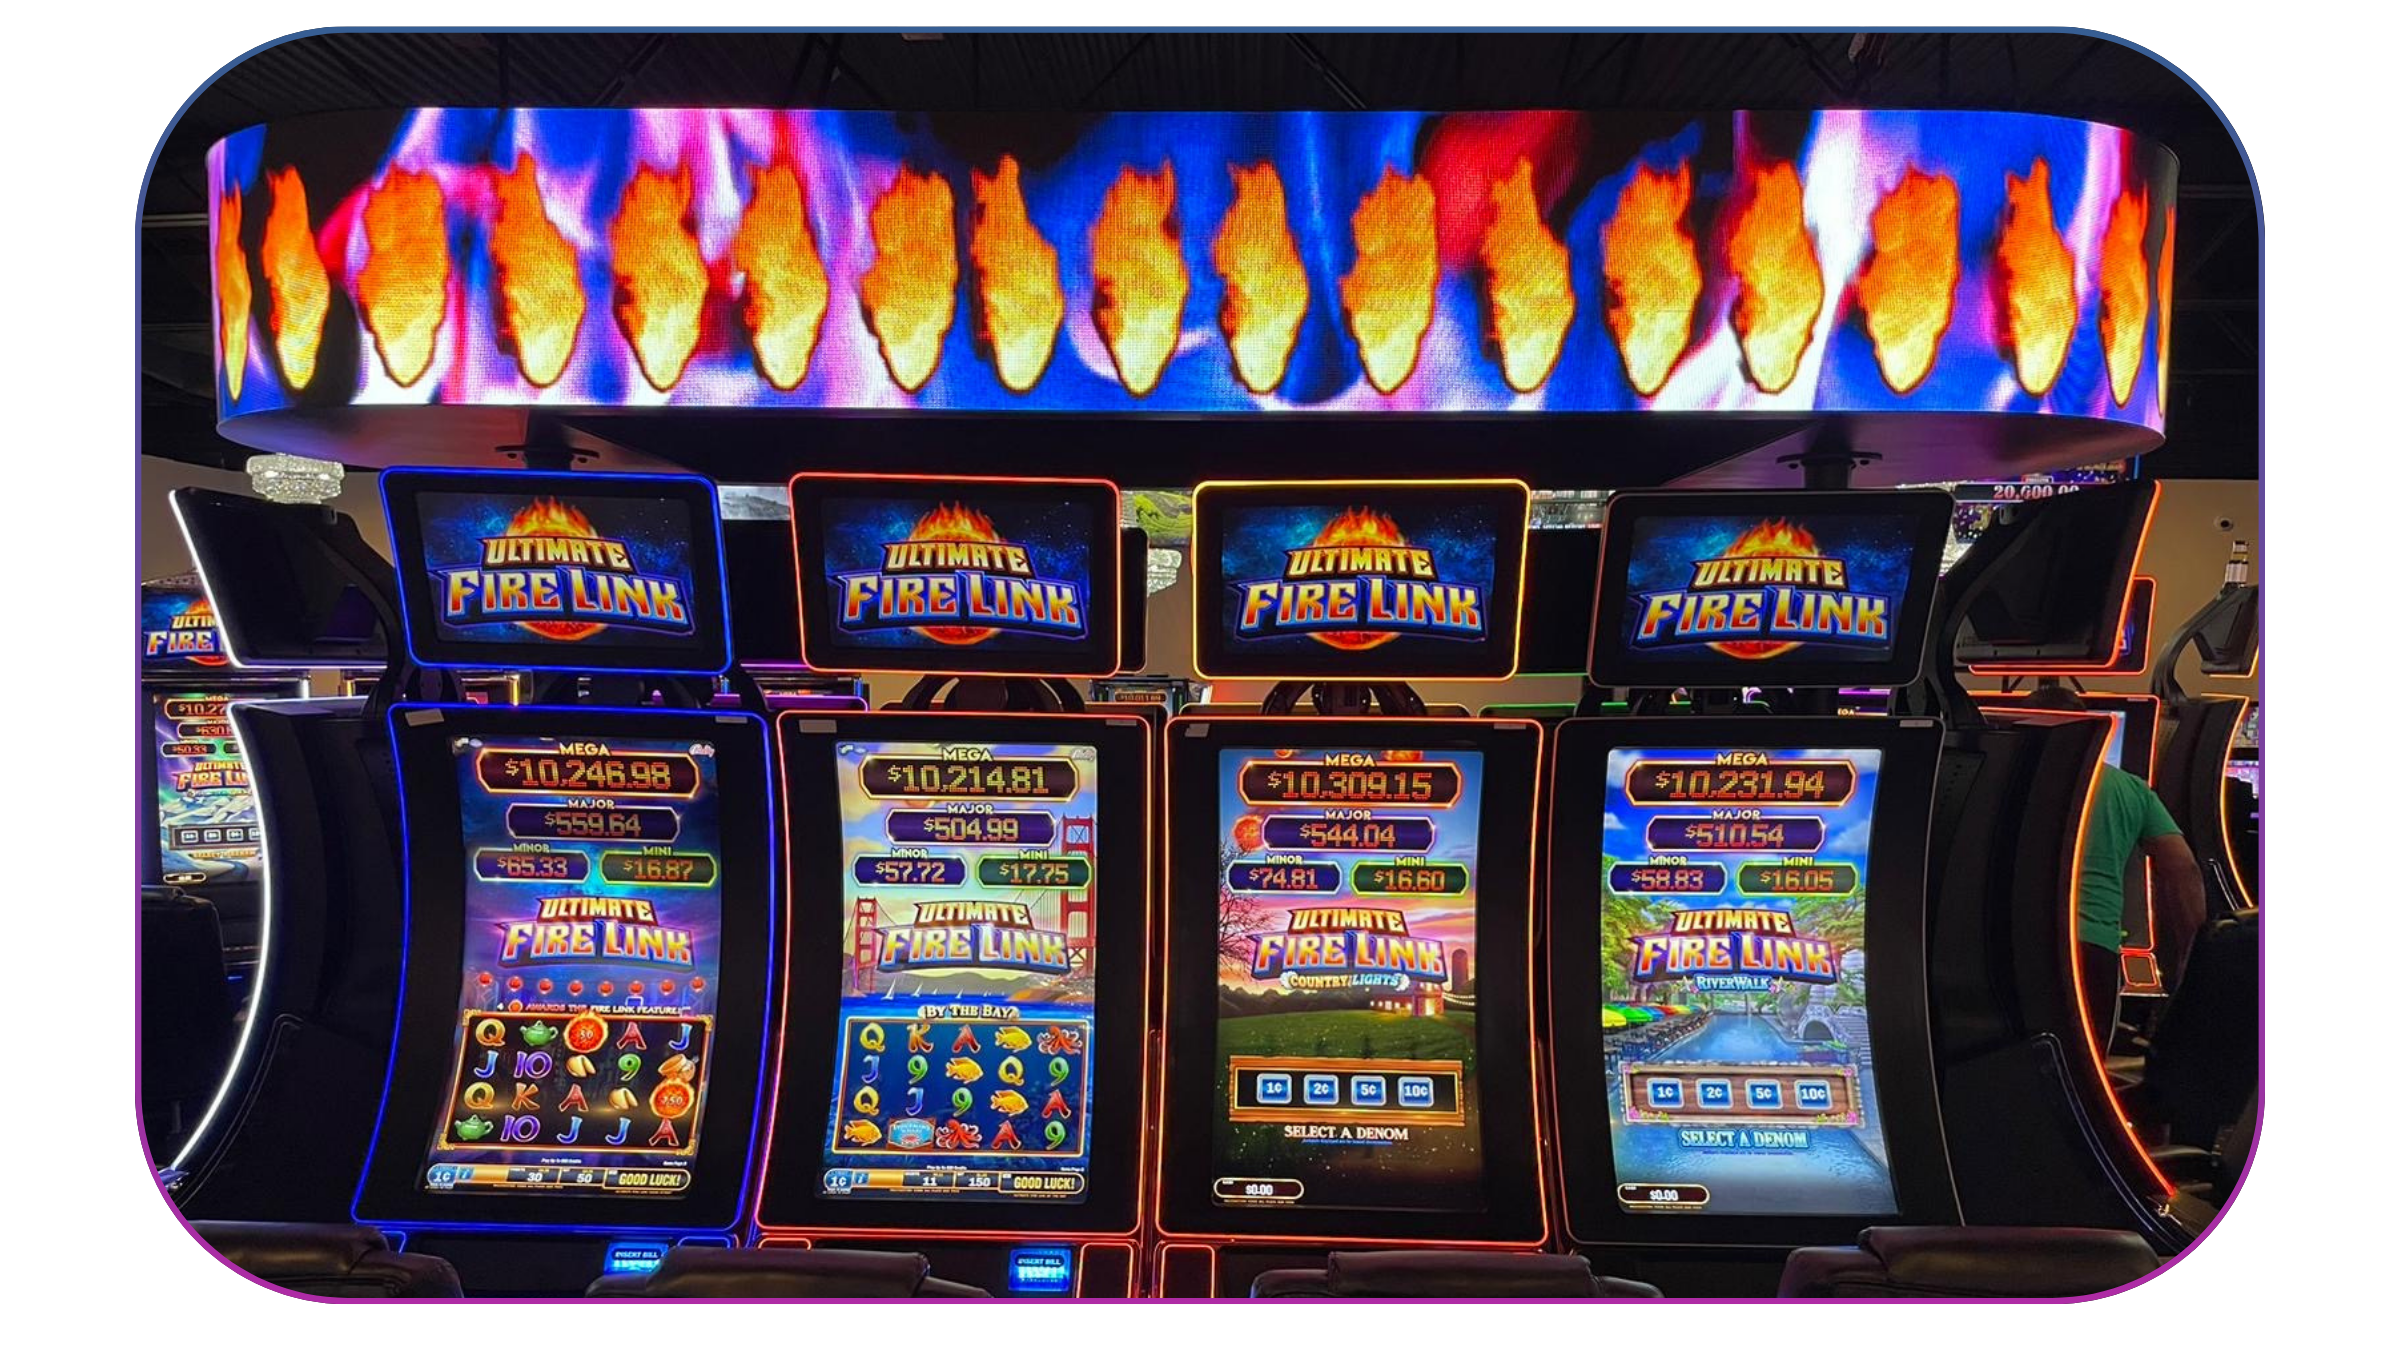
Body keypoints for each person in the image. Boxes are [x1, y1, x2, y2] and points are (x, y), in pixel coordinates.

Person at [2018, 686, 2207, 1051]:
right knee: (2085, 1079)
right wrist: (2190, 956)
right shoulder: (2127, 787)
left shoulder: (2007, 779)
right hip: (2093, 949)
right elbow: (2184, 871)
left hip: (2017, 944)